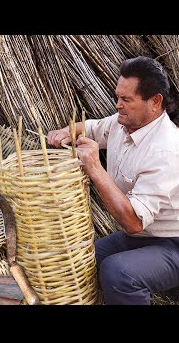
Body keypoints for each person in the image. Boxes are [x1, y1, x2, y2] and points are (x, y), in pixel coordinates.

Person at [47, 56, 179, 305]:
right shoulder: (124, 123)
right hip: (142, 238)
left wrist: (95, 168)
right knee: (82, 260)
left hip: (173, 243)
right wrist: (66, 132)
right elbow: (91, 128)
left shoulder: (167, 151)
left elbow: (133, 222)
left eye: (126, 99)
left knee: (120, 273)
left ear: (155, 102)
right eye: (118, 97)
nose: (118, 105)